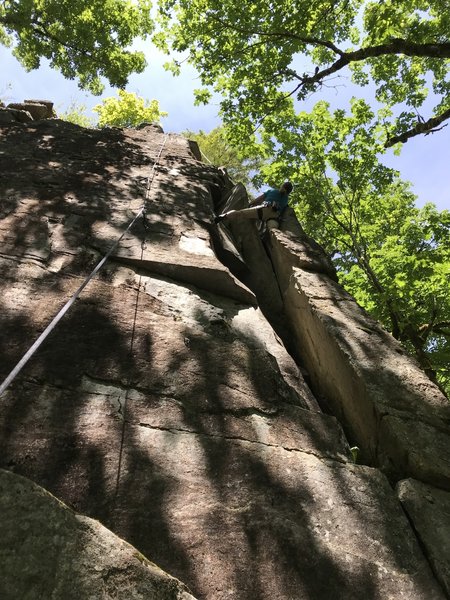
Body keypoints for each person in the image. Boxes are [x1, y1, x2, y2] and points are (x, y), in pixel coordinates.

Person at [214, 181, 293, 229]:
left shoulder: (272, 191)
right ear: (289, 192)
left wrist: (250, 204)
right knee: (273, 230)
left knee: (240, 213)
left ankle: (223, 216)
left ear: (282, 186)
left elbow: (259, 199)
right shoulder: (286, 201)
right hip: (274, 216)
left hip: (263, 209)